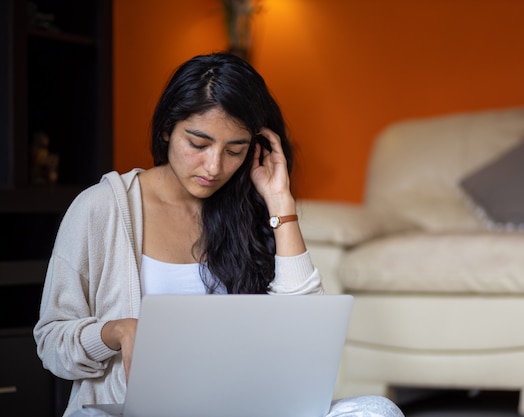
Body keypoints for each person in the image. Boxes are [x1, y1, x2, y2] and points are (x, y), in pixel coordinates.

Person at [33, 53, 405, 417]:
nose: (214, 167)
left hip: (244, 406)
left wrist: (279, 202)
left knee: (378, 410)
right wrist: (116, 331)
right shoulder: (102, 208)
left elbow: (302, 328)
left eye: (234, 150)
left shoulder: (246, 208)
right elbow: (52, 343)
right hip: (136, 409)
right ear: (167, 130)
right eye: (198, 144)